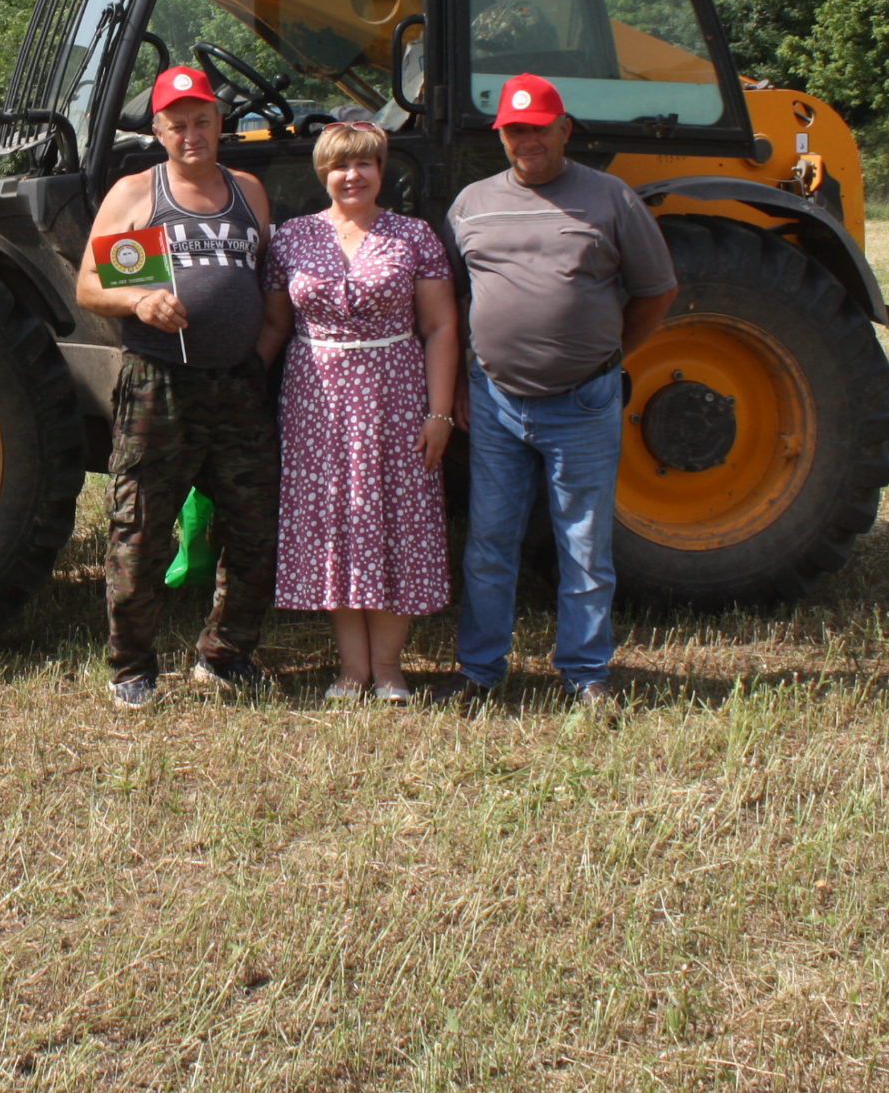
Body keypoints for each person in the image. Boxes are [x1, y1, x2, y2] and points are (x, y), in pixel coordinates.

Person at [445, 73, 676, 709]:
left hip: (582, 402)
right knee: (490, 542)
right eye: (515, 130)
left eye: (539, 127)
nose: (527, 140)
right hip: (494, 403)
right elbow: (458, 296)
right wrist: (468, 371)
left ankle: (585, 674)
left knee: (583, 544)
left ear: (564, 129)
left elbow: (657, 290)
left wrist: (609, 355)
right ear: (502, 136)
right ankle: (481, 671)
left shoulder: (610, 198)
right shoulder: (470, 204)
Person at [77, 64, 279, 710]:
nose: (191, 134)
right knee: (141, 527)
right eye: (177, 124)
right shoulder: (138, 193)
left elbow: (266, 279)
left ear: (219, 123)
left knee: (253, 526)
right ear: (158, 129)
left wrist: (259, 352)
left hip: (238, 386)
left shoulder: (248, 189)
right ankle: (132, 665)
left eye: (201, 121)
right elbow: (89, 286)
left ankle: (226, 654)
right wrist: (140, 301)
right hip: (159, 383)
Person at [262, 121, 460, 704]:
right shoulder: (292, 238)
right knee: (335, 529)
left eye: (365, 164)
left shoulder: (412, 236)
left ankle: (389, 669)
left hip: (395, 397)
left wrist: (440, 413)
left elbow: (441, 326)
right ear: (323, 174)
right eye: (341, 166)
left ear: (382, 170)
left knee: (397, 521)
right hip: (315, 404)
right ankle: (352, 670)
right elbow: (275, 324)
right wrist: (238, 385)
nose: (353, 176)